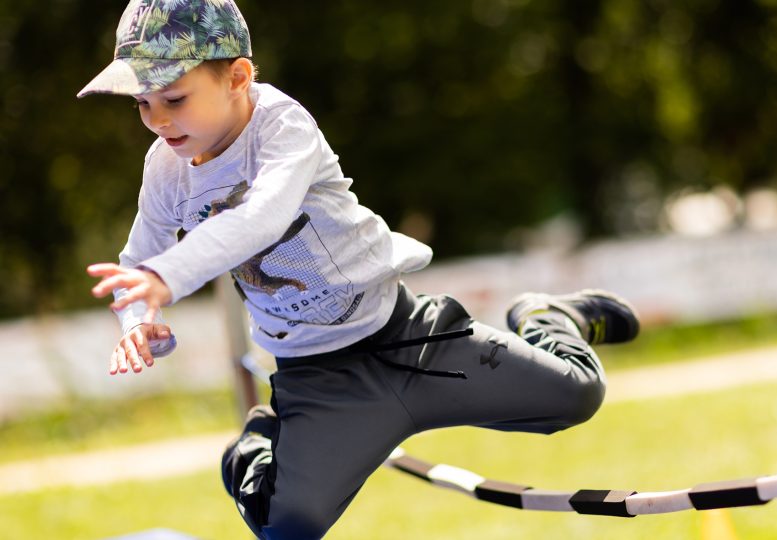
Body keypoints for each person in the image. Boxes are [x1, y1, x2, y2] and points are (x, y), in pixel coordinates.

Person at [79, 1, 641, 538]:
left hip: (410, 338)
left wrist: (168, 277)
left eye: (173, 99)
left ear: (237, 77)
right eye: (142, 104)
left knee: (578, 395)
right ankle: (256, 443)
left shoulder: (281, 127)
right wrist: (139, 317)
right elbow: (138, 263)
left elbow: (262, 216)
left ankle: (545, 314)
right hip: (320, 378)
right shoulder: (166, 170)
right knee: (286, 526)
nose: (156, 120)